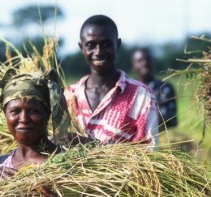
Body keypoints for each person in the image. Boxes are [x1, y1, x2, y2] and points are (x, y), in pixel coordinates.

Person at [65, 15, 159, 146]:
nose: (98, 52)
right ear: (82, 48)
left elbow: (149, 151)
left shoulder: (141, 96)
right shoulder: (69, 96)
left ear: (117, 44)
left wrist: (89, 144)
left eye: (106, 44)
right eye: (91, 45)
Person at [0, 67, 69, 197]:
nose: (24, 119)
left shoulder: (71, 163)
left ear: (47, 114)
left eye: (34, 111)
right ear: (6, 115)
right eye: (15, 111)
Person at [131, 48, 178, 129]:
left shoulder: (165, 87)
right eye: (140, 61)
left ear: (153, 62)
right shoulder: (128, 89)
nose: (145, 63)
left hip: (161, 137)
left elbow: (171, 120)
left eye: (148, 60)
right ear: (133, 66)